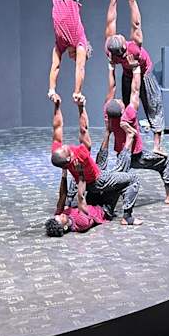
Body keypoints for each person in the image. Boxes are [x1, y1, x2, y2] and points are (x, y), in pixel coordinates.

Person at [47, 94, 142, 235]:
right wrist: (81, 107)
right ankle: (127, 217)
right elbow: (81, 200)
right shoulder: (81, 224)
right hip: (101, 197)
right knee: (130, 177)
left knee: (99, 163)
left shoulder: (58, 154)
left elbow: (57, 128)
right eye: (60, 218)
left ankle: (108, 132)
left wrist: (57, 107)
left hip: (91, 182)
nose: (65, 146)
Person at [102, 66, 169, 204]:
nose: (120, 100)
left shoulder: (108, 112)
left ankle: (108, 205)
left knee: (119, 178)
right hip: (137, 156)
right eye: (120, 102)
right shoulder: (129, 114)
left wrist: (110, 66)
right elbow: (135, 90)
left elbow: (111, 87)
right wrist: (136, 69)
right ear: (122, 110)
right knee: (165, 162)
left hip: (122, 155)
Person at [104, 0, 165, 153]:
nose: (119, 34)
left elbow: (110, 21)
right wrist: (132, 0)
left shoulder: (110, 50)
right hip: (135, 74)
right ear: (124, 46)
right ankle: (131, 142)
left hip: (143, 74)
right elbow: (136, 24)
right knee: (130, 108)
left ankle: (157, 146)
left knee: (153, 106)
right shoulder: (133, 49)